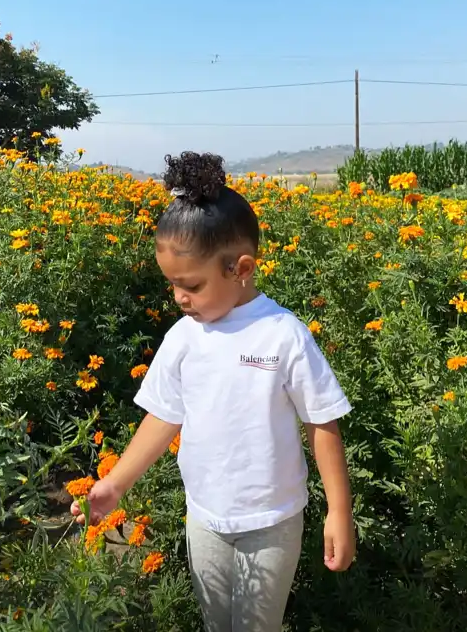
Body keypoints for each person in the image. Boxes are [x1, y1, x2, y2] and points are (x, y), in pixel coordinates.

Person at [71, 151, 355, 631]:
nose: (181, 298)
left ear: (240, 267)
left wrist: (339, 512)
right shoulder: (185, 336)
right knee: (215, 623)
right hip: (203, 517)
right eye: (173, 286)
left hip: (271, 520)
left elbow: (321, 422)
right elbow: (163, 416)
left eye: (192, 286)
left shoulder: (283, 334)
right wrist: (116, 484)